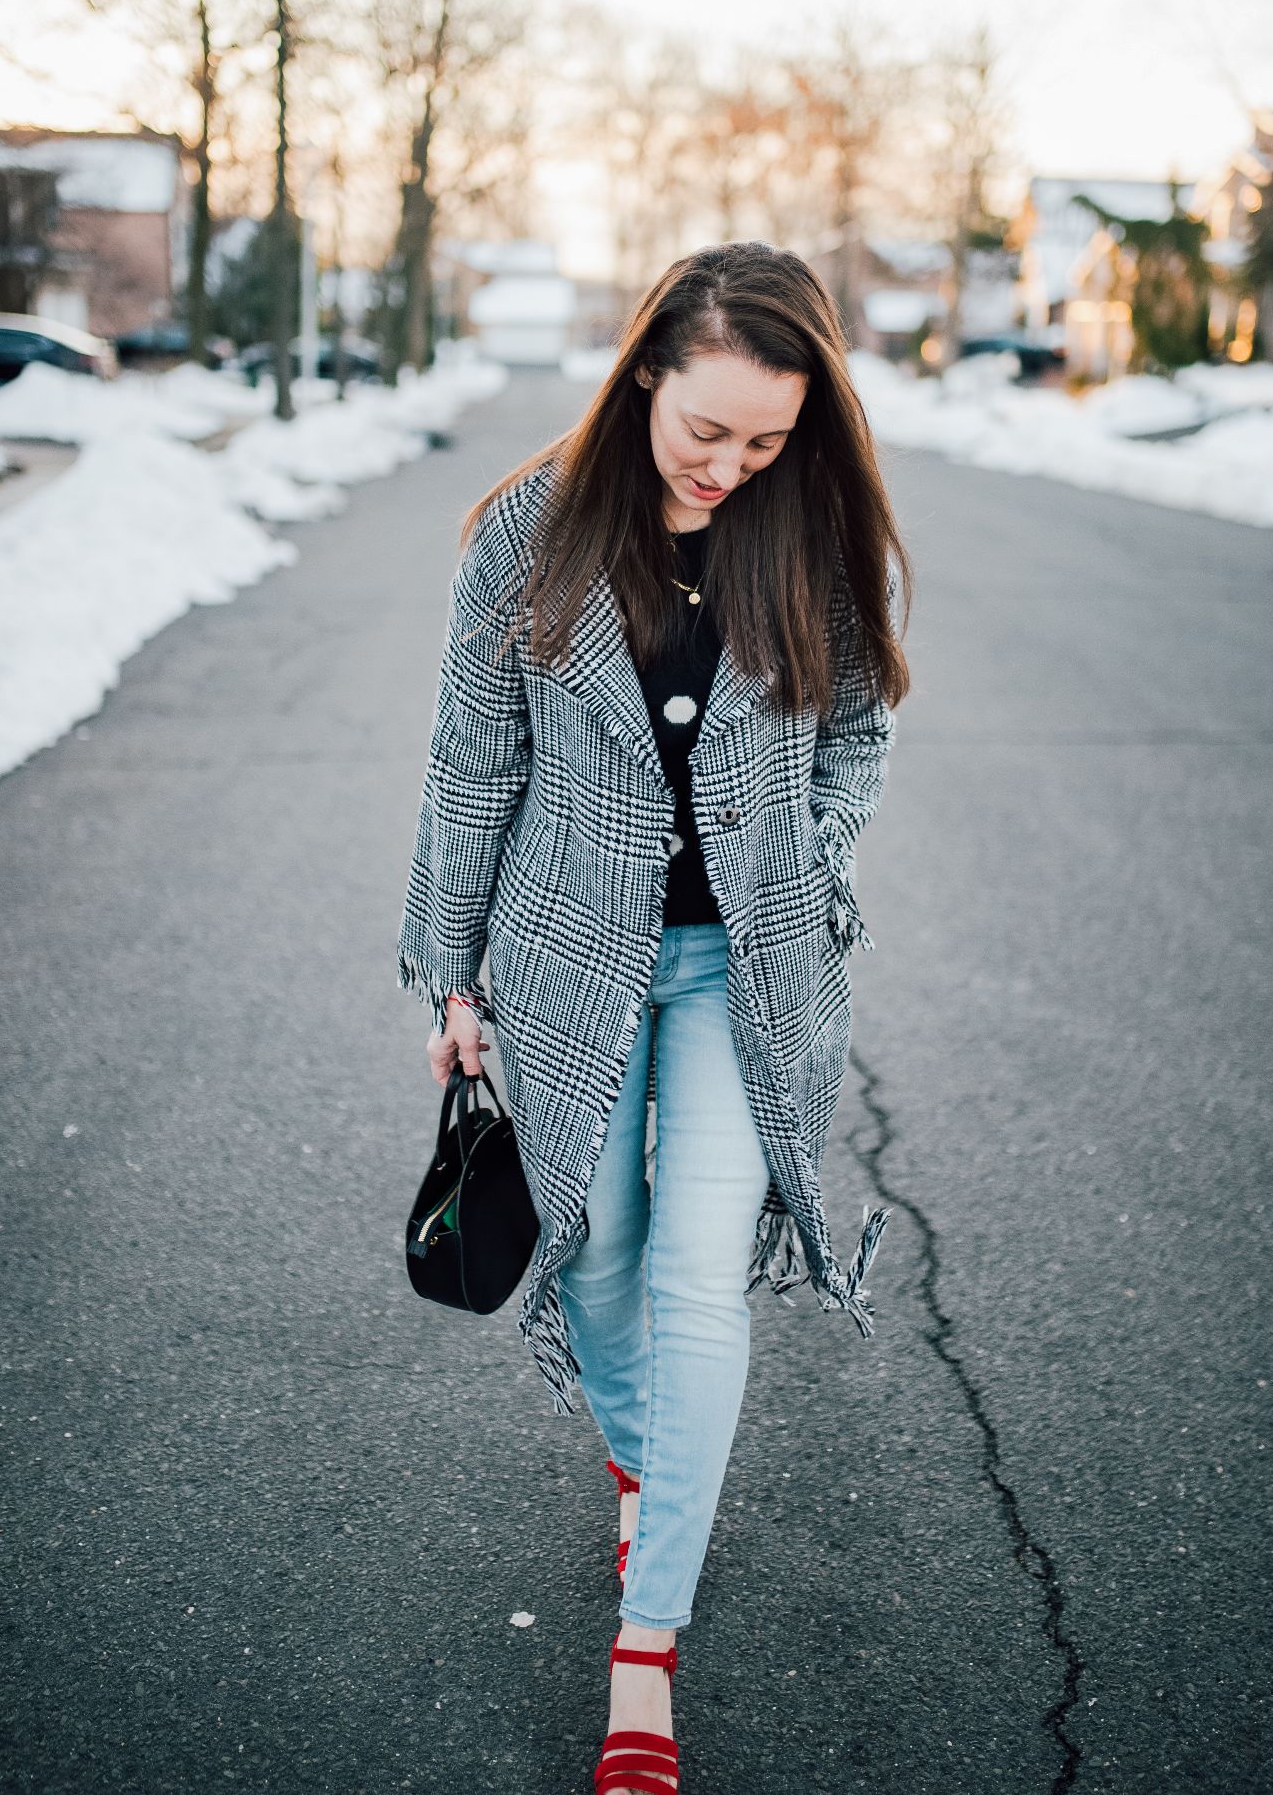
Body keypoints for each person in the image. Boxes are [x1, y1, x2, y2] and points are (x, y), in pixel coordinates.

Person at [397, 241, 912, 1793]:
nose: (732, 468)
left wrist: (798, 863)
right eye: (708, 433)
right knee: (600, 1249)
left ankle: (647, 1645)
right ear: (641, 378)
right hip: (567, 960)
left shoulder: (817, 541)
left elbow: (859, 740)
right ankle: (648, 1464)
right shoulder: (522, 533)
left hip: (745, 970)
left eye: (769, 441)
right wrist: (456, 977)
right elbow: (470, 767)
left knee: (697, 1274)